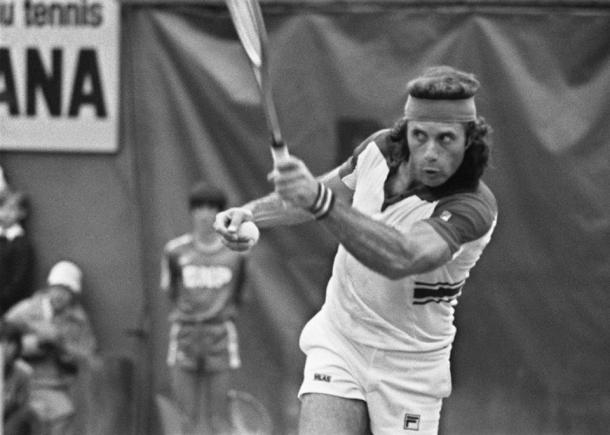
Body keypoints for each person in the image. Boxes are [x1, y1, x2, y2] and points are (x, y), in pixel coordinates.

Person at [215, 66, 498, 435]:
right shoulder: (378, 150)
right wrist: (249, 213)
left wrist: (319, 202)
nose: (430, 152)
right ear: (406, 131)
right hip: (341, 340)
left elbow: (404, 257)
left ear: (469, 140)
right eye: (420, 136)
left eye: (446, 139)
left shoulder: (472, 206)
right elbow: (321, 194)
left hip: (410, 368)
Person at [160, 181, 249, 435]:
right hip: (185, 334)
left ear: (221, 213)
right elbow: (170, 290)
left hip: (220, 335)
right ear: (191, 211)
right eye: (200, 207)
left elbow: (240, 295)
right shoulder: (175, 251)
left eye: (212, 207)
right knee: (183, 418)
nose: (206, 214)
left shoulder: (237, 254)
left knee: (219, 418)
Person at [4, 260, 97, 435]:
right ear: (48, 287)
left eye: (66, 291)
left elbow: (89, 356)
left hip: (58, 385)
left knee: (64, 414)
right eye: (57, 288)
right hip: (21, 384)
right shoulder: (25, 311)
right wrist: (32, 344)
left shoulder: (78, 320)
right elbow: (4, 341)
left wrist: (61, 345)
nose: (60, 295)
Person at [0, 189, 35, 315]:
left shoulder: (21, 244)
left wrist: (4, 299)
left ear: (22, 213)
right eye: (3, 207)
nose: (6, 213)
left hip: (6, 306)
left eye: (12, 209)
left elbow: (19, 280)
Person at [1, 320, 34, 435]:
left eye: (10, 343)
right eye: (1, 342)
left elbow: (22, 412)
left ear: (17, 347)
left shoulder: (23, 374)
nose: (4, 348)